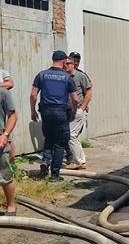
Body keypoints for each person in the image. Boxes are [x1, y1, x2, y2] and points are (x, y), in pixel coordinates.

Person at [30, 51, 78, 181]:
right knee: (60, 143)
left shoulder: (42, 75)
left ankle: (45, 161)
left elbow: (33, 95)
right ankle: (55, 175)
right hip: (61, 112)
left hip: (45, 111)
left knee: (49, 138)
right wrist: (73, 112)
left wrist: (33, 111)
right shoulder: (67, 77)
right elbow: (75, 99)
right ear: (63, 62)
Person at [63, 54, 93, 170]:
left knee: (71, 136)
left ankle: (78, 161)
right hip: (68, 111)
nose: (68, 65)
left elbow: (89, 92)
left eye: (76, 62)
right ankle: (81, 160)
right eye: (67, 63)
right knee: (73, 136)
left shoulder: (81, 76)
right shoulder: (64, 76)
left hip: (78, 111)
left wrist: (82, 108)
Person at [0, 84, 17, 215]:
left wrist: (5, 136)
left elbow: (12, 116)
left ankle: (11, 206)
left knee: (5, 176)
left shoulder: (3, 93)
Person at [1, 68, 15, 162]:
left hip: (4, 103)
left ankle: (10, 165)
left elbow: (10, 84)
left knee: (7, 140)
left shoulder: (2, 72)